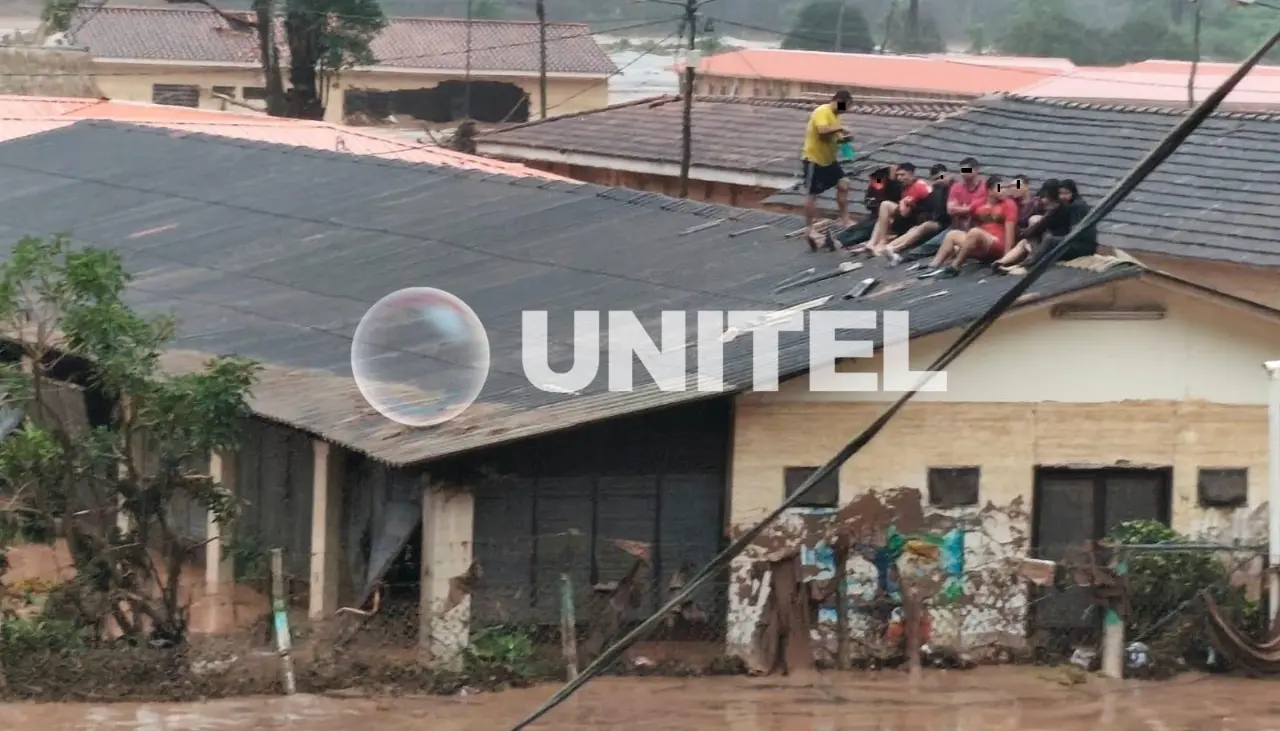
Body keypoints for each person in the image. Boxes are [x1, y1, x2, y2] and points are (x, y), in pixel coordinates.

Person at [919, 174, 1018, 279]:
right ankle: (933, 265)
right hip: (978, 244)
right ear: (989, 190)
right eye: (1000, 188)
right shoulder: (979, 204)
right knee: (952, 234)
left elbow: (1010, 230)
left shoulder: (1009, 204)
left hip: (996, 243)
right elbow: (968, 222)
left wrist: (1006, 258)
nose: (1004, 191)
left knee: (975, 232)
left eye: (1005, 188)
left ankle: (955, 267)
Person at [1002, 179, 1099, 275]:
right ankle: (1009, 263)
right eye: (1061, 194)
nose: (1063, 196)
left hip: (1082, 245)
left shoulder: (1076, 206)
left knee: (1048, 240)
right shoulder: (1015, 201)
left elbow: (1074, 232)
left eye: (1066, 193)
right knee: (1040, 238)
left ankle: (1028, 267)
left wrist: (1055, 239)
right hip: (1068, 241)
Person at [801, 90, 855, 250]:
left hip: (829, 161)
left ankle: (844, 218)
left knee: (844, 183)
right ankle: (809, 228)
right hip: (814, 160)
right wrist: (841, 129)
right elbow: (823, 130)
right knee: (812, 194)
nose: (845, 111)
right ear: (838, 100)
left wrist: (845, 140)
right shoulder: (822, 111)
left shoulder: (835, 117)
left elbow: (833, 139)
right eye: (845, 106)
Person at [906, 157, 986, 263]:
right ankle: (906, 257)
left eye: (966, 170)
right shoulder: (956, 187)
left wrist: (964, 208)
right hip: (956, 226)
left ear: (976, 170)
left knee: (952, 247)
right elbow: (951, 210)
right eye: (962, 171)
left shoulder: (984, 187)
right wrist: (967, 208)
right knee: (928, 245)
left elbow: (976, 209)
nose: (963, 174)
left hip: (975, 228)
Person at [876, 163, 952, 265]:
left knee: (924, 227)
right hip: (931, 220)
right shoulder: (935, 190)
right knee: (914, 229)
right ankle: (889, 247)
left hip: (946, 224)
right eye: (936, 179)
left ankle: (897, 248)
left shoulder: (952, 188)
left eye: (942, 177)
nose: (940, 180)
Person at [864, 162, 932, 254]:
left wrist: (901, 204)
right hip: (911, 217)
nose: (899, 178)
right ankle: (873, 242)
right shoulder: (903, 187)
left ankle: (883, 243)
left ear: (911, 174)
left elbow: (904, 212)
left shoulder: (918, 186)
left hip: (921, 219)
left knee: (886, 206)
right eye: (898, 175)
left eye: (902, 175)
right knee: (883, 214)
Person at [994, 179, 1059, 272]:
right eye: (1011, 186)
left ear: (1027, 186)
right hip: (1022, 236)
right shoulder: (1014, 202)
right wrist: (1004, 187)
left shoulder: (1037, 202)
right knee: (1024, 243)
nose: (1014, 189)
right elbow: (998, 191)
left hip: (1036, 235)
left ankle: (1024, 264)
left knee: (1034, 221)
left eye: (1017, 186)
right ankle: (1000, 262)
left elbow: (1045, 221)